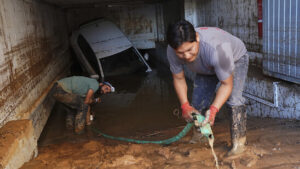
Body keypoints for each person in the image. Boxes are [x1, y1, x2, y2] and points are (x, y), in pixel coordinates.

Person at [166, 20, 249, 156]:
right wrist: (185, 106)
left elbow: (226, 84)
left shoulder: (217, 49)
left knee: (234, 99)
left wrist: (214, 109)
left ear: (197, 39)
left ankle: (239, 143)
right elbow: (179, 78)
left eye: (189, 50)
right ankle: (200, 137)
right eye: (180, 53)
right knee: (197, 104)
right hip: (207, 66)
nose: (186, 56)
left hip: (234, 59)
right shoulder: (172, 50)